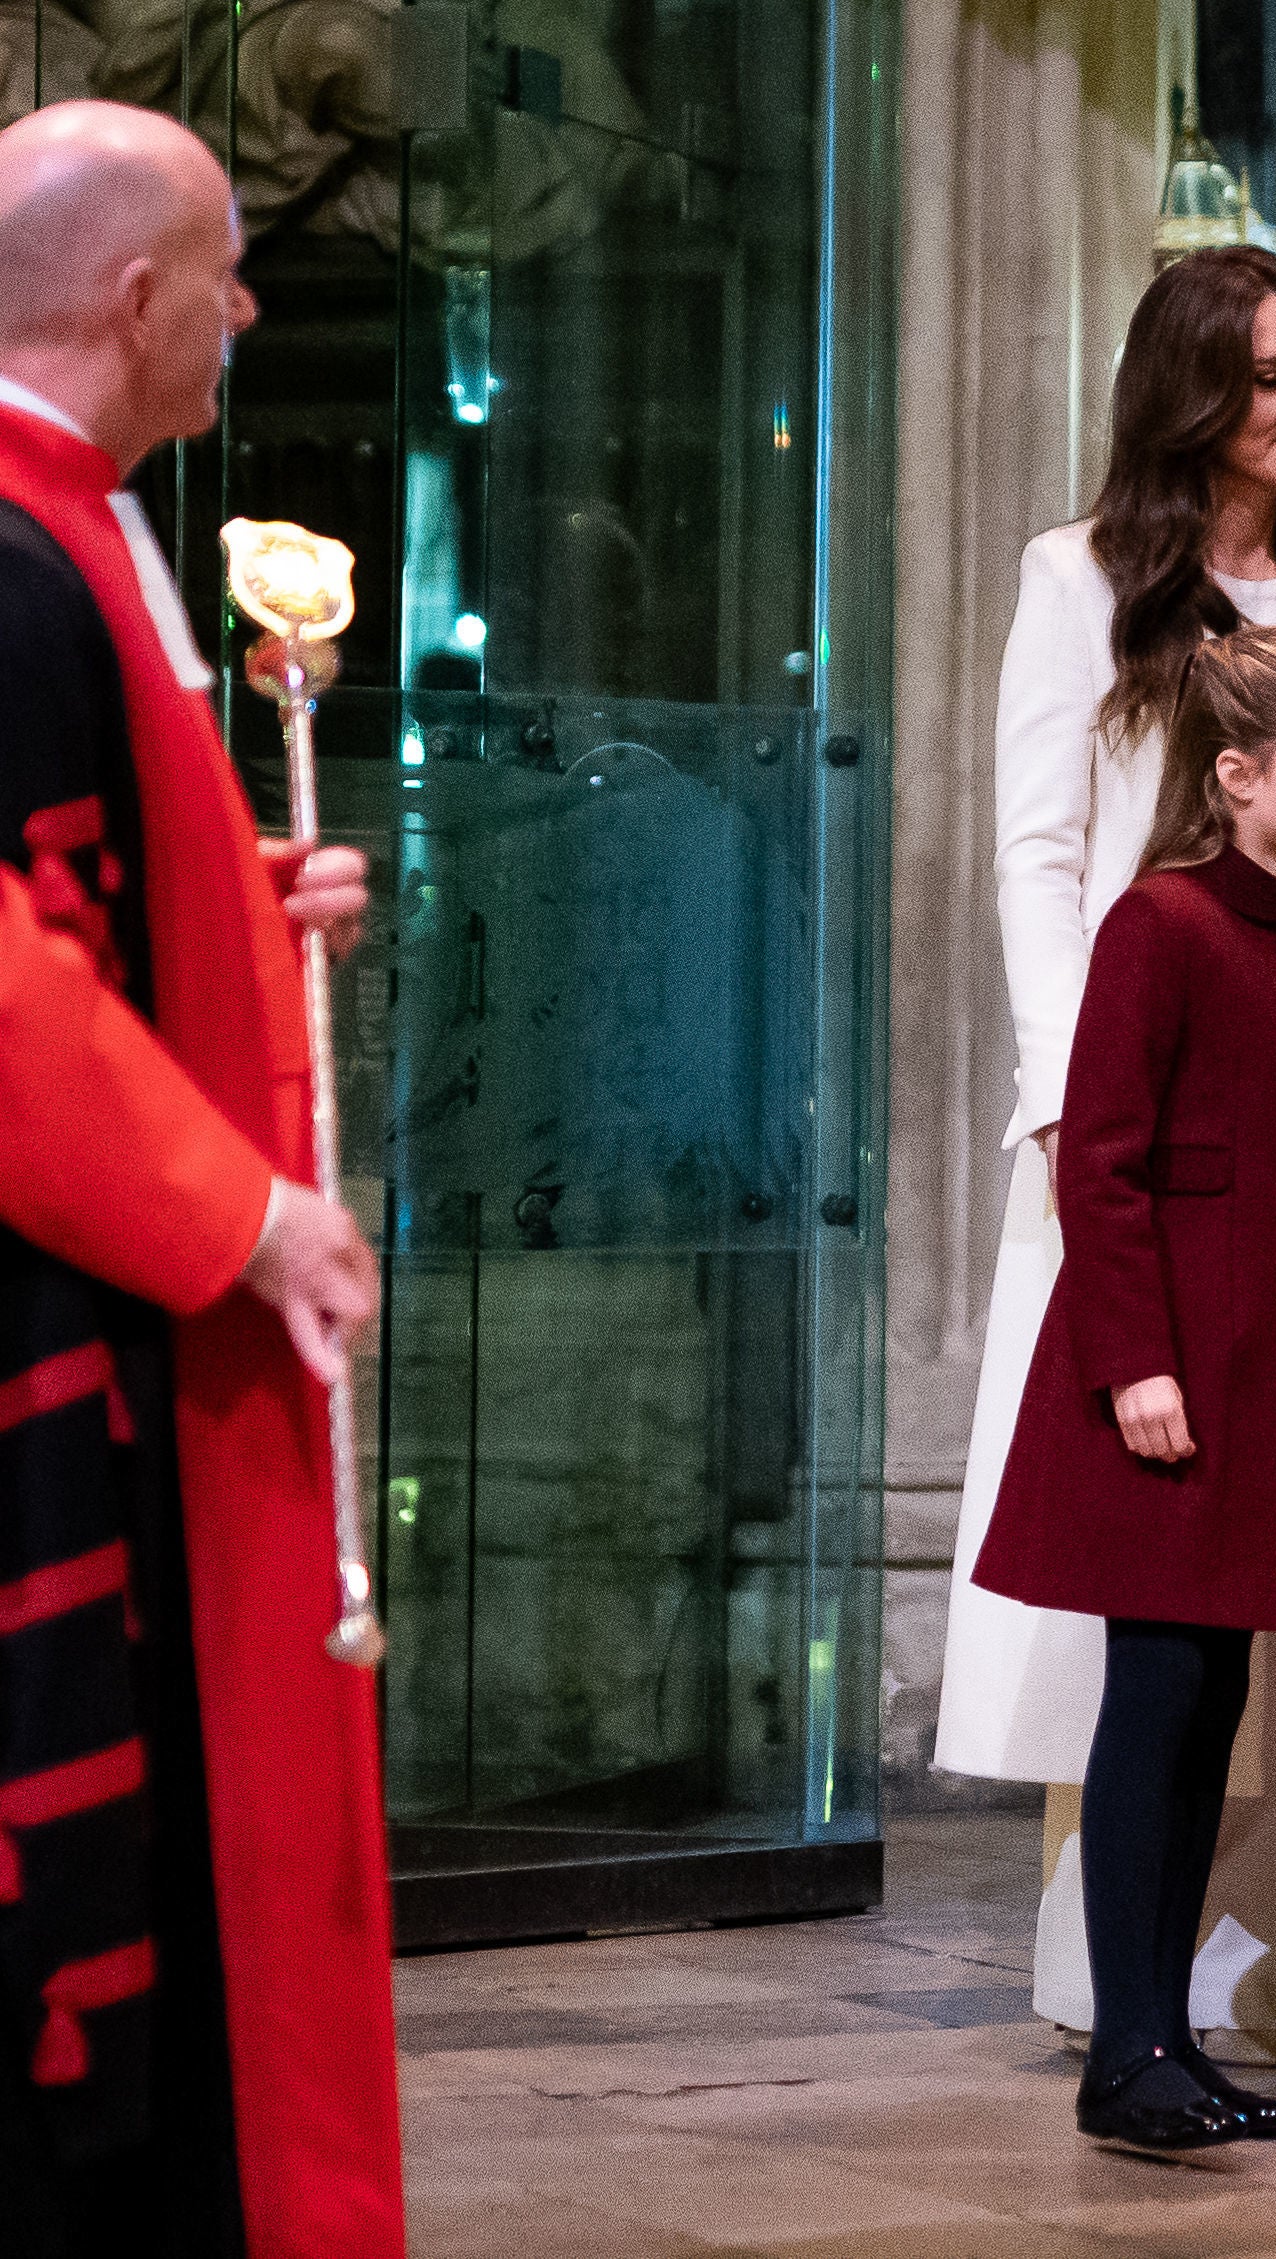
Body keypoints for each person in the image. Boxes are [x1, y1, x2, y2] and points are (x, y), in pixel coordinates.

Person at [0, 96, 401, 2257]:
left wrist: (231, 897)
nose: (252, 310)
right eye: (232, 272)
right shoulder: (8, 547)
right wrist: (248, 1212)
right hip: (54, 1343)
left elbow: (68, 894)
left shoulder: (70, 528)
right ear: (140, 297)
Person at [932, 243, 1276, 2069]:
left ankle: (1240, 1981)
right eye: (1272, 374)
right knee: (1137, 1582)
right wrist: (1069, 1098)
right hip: (1128, 1107)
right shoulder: (1083, 577)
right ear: (1193, 383)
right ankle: (1111, 1984)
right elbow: (1035, 852)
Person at [968, 622, 1276, 2151]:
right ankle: (1122, 2048)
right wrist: (1133, 1362)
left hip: (1272, 1374)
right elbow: (1107, 1161)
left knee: (1217, 1707)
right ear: (1236, 774)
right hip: (1165, 1378)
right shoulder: (1159, 924)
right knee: (1152, 1698)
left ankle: (1167, 2039)